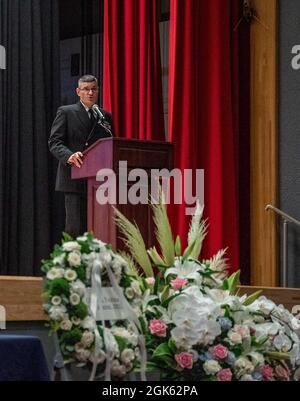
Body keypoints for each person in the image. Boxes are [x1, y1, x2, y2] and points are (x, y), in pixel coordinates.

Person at [49, 74, 113, 238]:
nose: (90, 93)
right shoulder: (66, 112)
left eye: (93, 89)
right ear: (78, 91)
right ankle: (73, 262)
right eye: (86, 89)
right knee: (75, 229)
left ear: (98, 91)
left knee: (99, 229)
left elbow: (110, 144)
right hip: (74, 179)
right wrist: (69, 156)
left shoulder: (104, 116)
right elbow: (54, 142)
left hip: (99, 181)